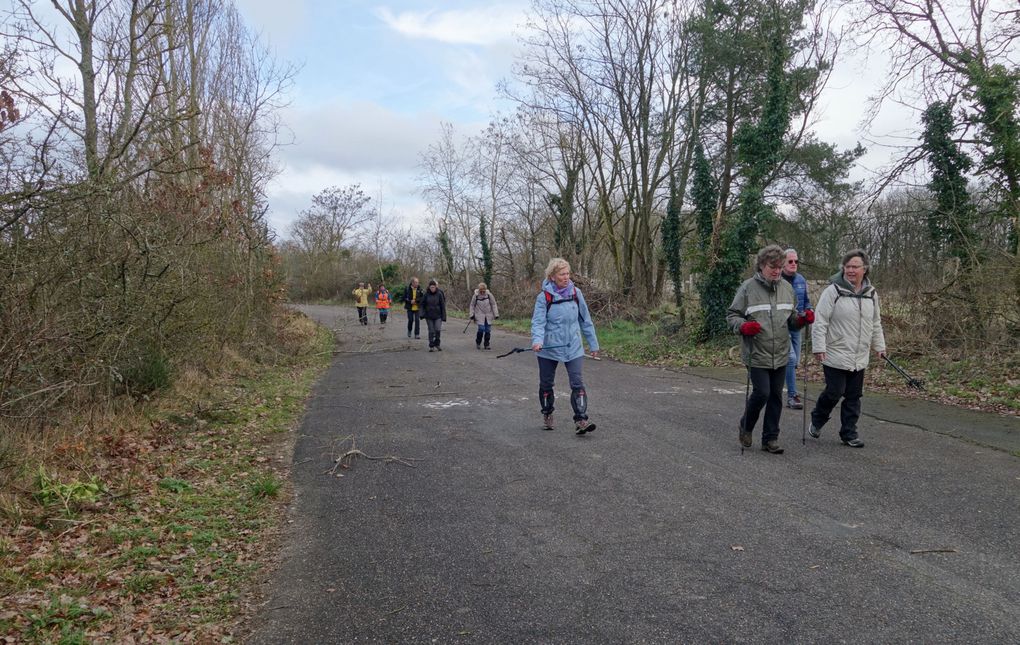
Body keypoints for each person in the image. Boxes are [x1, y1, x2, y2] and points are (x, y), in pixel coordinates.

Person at [726, 244, 812, 454]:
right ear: (762, 265)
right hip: (756, 352)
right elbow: (732, 315)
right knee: (762, 393)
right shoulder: (748, 288)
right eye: (772, 266)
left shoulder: (787, 288)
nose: (776, 270)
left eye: (779, 266)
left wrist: (802, 320)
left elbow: (790, 321)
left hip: (781, 352)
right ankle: (746, 426)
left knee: (776, 396)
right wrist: (743, 326)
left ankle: (770, 439)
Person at [808, 249, 887, 448]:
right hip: (835, 351)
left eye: (855, 266)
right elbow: (820, 321)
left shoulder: (871, 294)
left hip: (859, 355)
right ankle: (818, 419)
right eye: (847, 266)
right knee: (834, 392)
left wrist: (879, 346)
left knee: (853, 396)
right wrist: (818, 347)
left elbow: (875, 322)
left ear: (865, 269)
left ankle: (849, 433)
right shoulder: (833, 291)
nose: (851, 270)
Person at [530, 258, 600, 435]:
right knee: (546, 383)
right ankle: (547, 414)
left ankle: (581, 420)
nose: (566, 277)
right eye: (562, 274)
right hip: (548, 348)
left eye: (568, 273)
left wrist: (593, 343)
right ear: (552, 276)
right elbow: (538, 322)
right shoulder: (544, 297)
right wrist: (537, 341)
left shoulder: (576, 293)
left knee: (577, 383)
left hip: (573, 346)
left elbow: (585, 320)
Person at [782, 248, 813, 409]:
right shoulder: (778, 280)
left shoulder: (801, 280)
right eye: (790, 261)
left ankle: (776, 383)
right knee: (791, 359)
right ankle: (792, 396)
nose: (794, 264)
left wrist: (810, 311)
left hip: (797, 327)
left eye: (796, 261)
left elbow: (807, 302)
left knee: (794, 362)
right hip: (782, 327)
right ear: (783, 263)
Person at [469, 282, 500, 350]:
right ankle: (478, 342)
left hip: (488, 315)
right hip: (479, 314)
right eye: (481, 290)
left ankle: (487, 344)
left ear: (486, 289)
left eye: (484, 290)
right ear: (479, 289)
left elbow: (493, 304)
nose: (482, 291)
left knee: (488, 330)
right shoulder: (476, 296)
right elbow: (472, 305)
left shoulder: (489, 295)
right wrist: (471, 314)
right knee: (481, 329)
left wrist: (496, 314)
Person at [421, 279, 447, 351]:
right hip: (429, 316)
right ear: (429, 287)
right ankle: (431, 346)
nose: (432, 288)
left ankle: (437, 344)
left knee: (438, 330)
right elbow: (422, 305)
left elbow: (442, 305)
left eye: (433, 287)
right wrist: (422, 313)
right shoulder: (426, 294)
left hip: (438, 316)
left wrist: (444, 316)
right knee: (431, 331)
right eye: (431, 287)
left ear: (436, 287)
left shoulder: (439, 294)